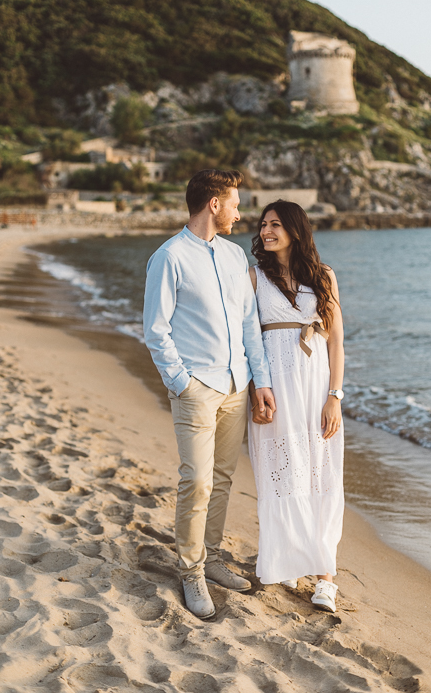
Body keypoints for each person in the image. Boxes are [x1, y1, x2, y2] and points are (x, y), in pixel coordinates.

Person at [143, 169, 276, 620]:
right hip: (197, 387)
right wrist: (182, 383)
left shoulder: (237, 256)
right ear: (213, 204)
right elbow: (155, 331)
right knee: (195, 481)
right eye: (235, 203)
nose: (241, 212)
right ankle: (191, 569)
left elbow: (248, 327)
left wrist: (261, 382)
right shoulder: (169, 257)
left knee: (221, 480)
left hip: (237, 385)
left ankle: (213, 557)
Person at [248, 200, 345, 613]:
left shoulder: (324, 277)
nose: (267, 231)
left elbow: (337, 341)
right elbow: (248, 340)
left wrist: (334, 397)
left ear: (295, 229)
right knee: (282, 475)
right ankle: (287, 558)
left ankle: (326, 577)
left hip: (315, 388)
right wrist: (257, 388)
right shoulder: (253, 277)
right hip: (274, 390)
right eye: (263, 224)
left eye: (275, 224)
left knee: (321, 475)